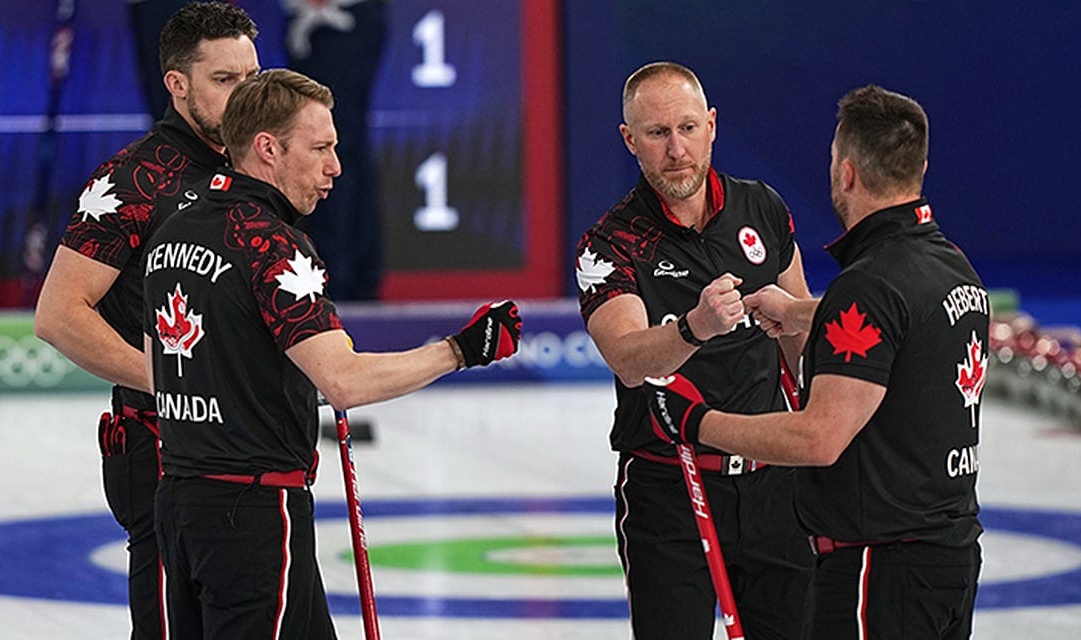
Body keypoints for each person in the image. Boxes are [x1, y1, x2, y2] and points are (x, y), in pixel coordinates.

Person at [141, 68, 522, 639]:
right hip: (255, 512)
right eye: (320, 148)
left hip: (177, 501)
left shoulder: (172, 228)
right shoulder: (271, 242)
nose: (335, 168)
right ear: (267, 149)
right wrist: (460, 350)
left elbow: (170, 360)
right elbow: (344, 381)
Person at [646, 85, 986, 639]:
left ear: (846, 173)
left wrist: (696, 423)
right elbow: (904, 316)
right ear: (918, 167)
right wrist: (801, 311)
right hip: (951, 557)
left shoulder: (870, 284)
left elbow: (818, 438)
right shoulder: (952, 267)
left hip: (878, 567)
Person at [33, 3, 260, 638]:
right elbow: (58, 315)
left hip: (251, 448)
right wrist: (172, 384)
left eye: (252, 75)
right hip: (162, 449)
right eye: (224, 80)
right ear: (177, 84)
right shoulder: (135, 179)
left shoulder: (258, 170)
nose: (246, 94)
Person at [574, 61, 813, 640]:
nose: (676, 149)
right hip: (669, 489)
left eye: (687, 128)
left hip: (773, 482)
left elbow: (803, 337)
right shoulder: (609, 244)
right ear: (630, 140)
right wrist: (694, 327)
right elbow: (628, 359)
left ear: (711, 125)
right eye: (657, 134)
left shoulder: (762, 208)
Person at [283, 0, 388, 300]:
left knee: (332, 145)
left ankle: (340, 276)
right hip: (317, 20)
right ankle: (348, 273)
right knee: (335, 144)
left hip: (337, 18)